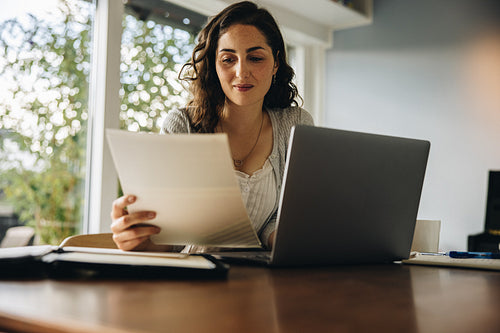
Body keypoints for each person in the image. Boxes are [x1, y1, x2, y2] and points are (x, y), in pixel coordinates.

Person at [110, 1, 314, 252]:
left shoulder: (296, 125)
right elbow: (170, 240)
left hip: (263, 280)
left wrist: (282, 237)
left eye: (255, 58)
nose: (241, 72)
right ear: (214, 66)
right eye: (228, 59)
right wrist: (137, 238)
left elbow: (284, 217)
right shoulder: (182, 125)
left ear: (275, 64)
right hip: (194, 279)